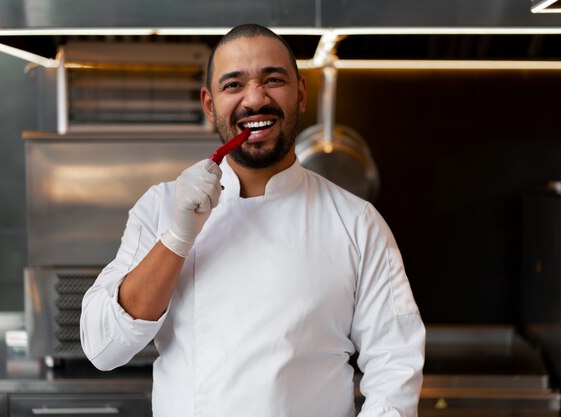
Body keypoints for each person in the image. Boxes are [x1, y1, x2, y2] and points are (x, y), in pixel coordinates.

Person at [80, 23, 425, 417]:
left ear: (300, 94)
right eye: (234, 85)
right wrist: (178, 236)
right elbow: (104, 347)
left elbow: (395, 367)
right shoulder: (160, 206)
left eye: (273, 79)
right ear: (210, 105)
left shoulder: (357, 222)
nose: (255, 99)